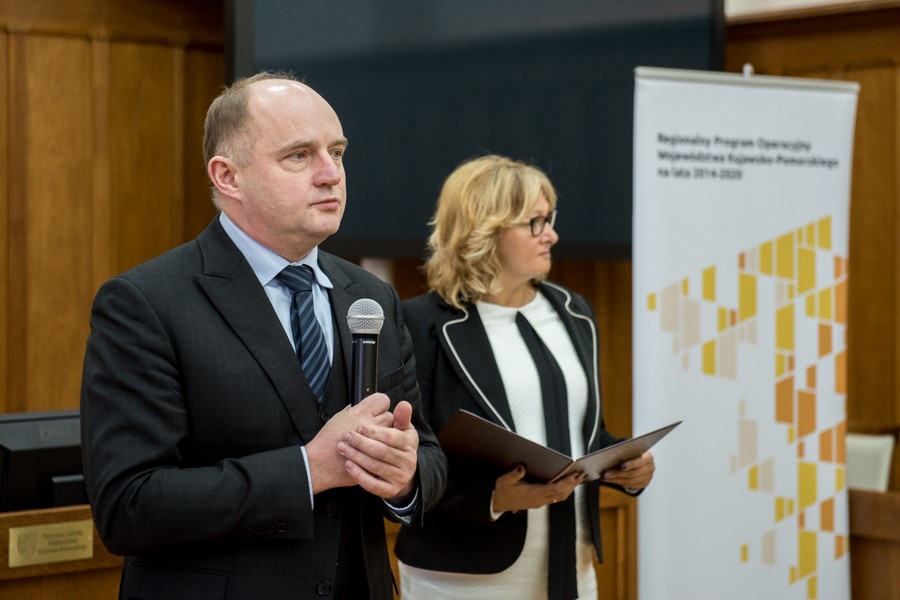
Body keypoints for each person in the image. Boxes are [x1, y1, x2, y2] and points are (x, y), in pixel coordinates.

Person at [80, 71, 447, 600]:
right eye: (299, 155)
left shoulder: (371, 298)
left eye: (337, 152)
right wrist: (307, 471)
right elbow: (129, 506)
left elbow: (428, 456)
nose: (331, 175)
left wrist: (406, 476)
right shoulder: (146, 302)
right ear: (228, 176)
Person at [394, 155, 655, 599]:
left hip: (572, 564)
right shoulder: (421, 324)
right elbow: (408, 459)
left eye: (550, 219)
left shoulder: (574, 312)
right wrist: (492, 498)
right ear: (484, 230)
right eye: (535, 223)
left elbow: (581, 432)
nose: (551, 235)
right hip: (462, 576)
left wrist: (626, 462)